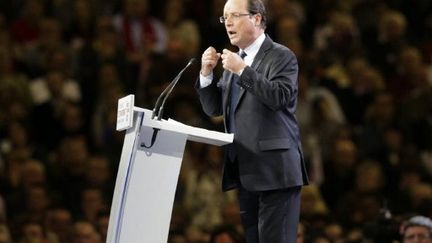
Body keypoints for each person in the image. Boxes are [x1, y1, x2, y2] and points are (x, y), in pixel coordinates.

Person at [195, 0, 309, 242]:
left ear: (257, 19)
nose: (228, 23)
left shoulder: (281, 55)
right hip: (246, 171)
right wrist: (206, 75)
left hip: (275, 171)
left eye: (234, 15)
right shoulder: (233, 62)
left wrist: (243, 71)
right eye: (224, 18)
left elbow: (279, 97)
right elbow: (214, 109)